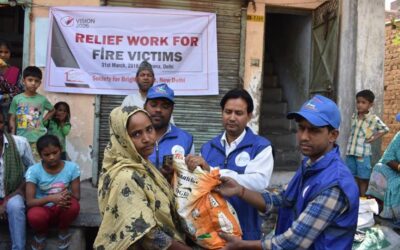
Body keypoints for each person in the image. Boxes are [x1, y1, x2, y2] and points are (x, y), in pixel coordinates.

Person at [215, 95, 359, 250]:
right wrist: (240, 190)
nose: (304, 137)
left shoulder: (334, 184)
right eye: (301, 128)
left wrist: (242, 246)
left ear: (333, 135)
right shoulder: (310, 166)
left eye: (314, 131)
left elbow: (294, 242)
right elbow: (282, 199)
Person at [94, 106, 190, 250]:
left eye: (149, 129)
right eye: (136, 134)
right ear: (122, 138)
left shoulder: (144, 165)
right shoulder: (125, 176)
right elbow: (148, 235)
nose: (147, 138)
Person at [186, 88, 274, 240]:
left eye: (238, 113)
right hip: (211, 232)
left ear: (249, 116)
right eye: (228, 112)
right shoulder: (208, 147)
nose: (232, 117)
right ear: (222, 113)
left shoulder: (260, 147)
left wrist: (213, 171)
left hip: (246, 230)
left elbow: (258, 183)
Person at [25, 134, 80, 250]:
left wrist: (66, 195)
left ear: (61, 150)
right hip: (42, 208)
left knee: (73, 205)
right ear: (40, 155)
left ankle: (63, 230)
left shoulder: (72, 168)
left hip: (62, 207)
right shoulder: (33, 171)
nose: (51, 157)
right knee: (34, 215)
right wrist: (51, 198)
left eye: (55, 153)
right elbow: (29, 202)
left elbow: (76, 195)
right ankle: (41, 234)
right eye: (47, 155)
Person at [0, 111, 35, 250]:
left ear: (5, 124)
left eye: (0, 122)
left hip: (14, 192)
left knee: (16, 207)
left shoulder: (20, 142)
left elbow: (32, 172)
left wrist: (17, 192)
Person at [345, 89, 389, 197]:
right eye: (358, 102)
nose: (360, 105)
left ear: (370, 104)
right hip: (351, 151)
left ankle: (362, 200)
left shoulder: (373, 119)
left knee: (363, 178)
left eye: (363, 102)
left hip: (363, 154)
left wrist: (373, 138)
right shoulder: (354, 116)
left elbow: (385, 129)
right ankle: (354, 200)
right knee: (352, 176)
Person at [8, 66, 55, 162]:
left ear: (40, 83)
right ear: (23, 80)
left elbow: (52, 110)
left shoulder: (42, 99)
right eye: (30, 80)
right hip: (21, 138)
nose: (33, 83)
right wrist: (13, 135)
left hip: (38, 139)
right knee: (22, 164)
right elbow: (12, 117)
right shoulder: (17, 99)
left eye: (36, 81)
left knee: (36, 164)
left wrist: (43, 120)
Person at [144, 83, 193, 170]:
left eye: (165, 106)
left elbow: (190, 175)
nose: (158, 110)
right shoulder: (133, 136)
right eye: (153, 105)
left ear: (172, 109)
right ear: (145, 106)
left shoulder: (186, 139)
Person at [366, 113, 400, 223]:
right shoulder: (399, 137)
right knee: (378, 168)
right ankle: (377, 207)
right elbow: (388, 157)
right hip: (397, 171)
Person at [0, 40, 23, 128]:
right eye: (0, 52)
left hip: (10, 109)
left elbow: (20, 90)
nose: (3, 55)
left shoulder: (15, 71)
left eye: (6, 52)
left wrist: (6, 96)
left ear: (10, 54)